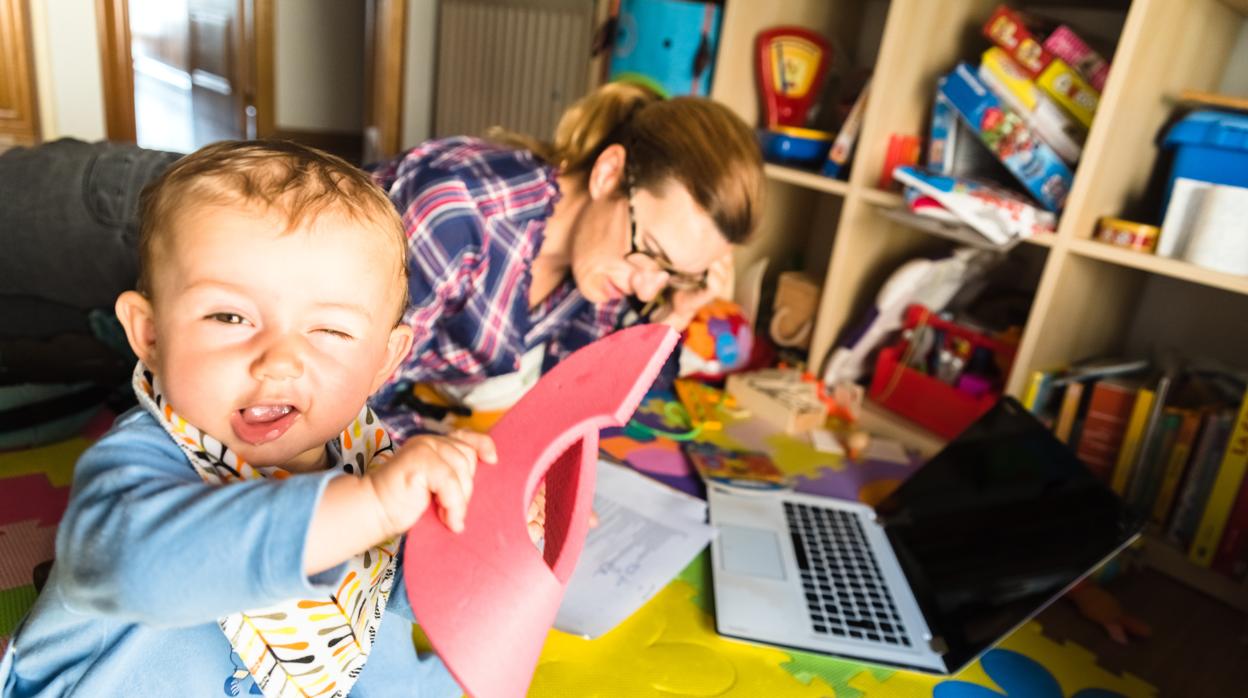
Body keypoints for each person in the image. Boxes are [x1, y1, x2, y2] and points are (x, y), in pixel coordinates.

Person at [0, 140, 504, 698]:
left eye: (330, 330)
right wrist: (374, 507)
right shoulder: (129, 474)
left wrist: (482, 533)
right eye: (230, 316)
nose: (281, 360)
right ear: (150, 334)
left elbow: (399, 590)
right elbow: (146, 567)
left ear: (384, 361)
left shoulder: (369, 455)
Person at [369, 82, 765, 439]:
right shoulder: (459, 215)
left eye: (674, 274)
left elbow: (589, 399)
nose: (646, 287)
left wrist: (678, 313)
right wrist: (444, 461)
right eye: (650, 251)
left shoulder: (604, 265)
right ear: (609, 175)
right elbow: (346, 403)